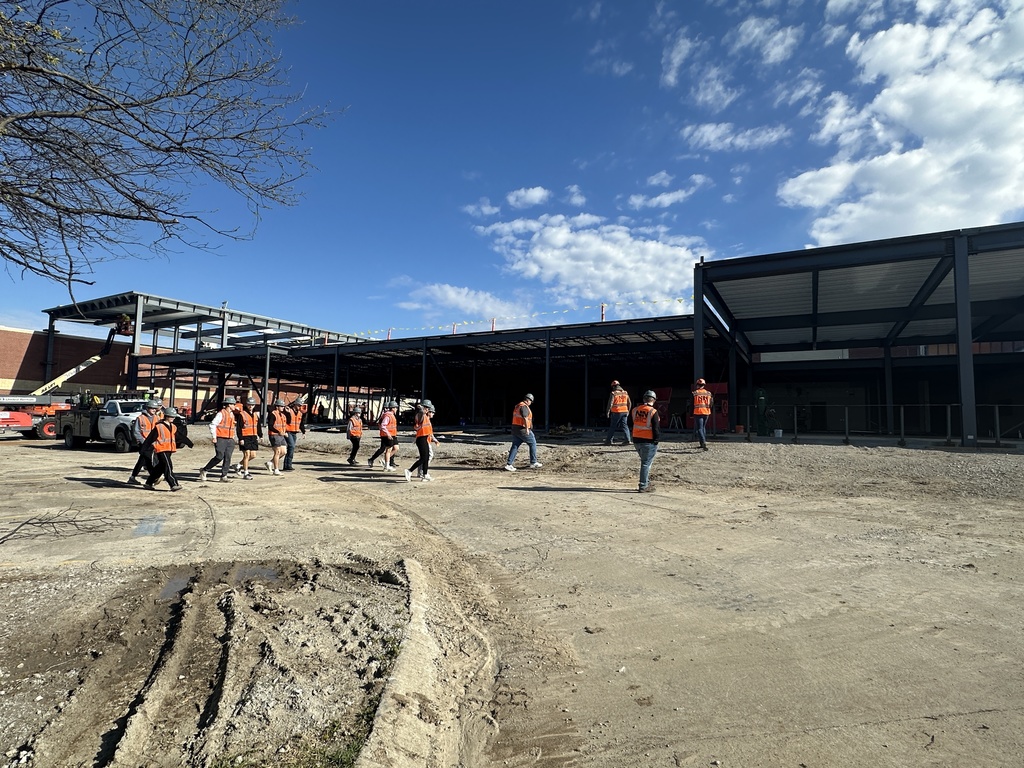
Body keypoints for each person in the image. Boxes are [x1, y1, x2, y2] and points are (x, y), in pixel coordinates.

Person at [141, 407, 185, 491]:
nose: (173, 418)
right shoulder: (159, 426)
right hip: (161, 449)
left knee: (161, 467)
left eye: (174, 417)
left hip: (169, 449)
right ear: (166, 416)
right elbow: (150, 438)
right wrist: (143, 450)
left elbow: (178, 436)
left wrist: (188, 442)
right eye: (171, 416)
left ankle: (149, 482)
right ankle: (173, 484)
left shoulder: (173, 426)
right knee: (168, 466)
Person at [629, 390, 661, 493]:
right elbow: (656, 428)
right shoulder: (653, 411)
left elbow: (631, 424)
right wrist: (656, 440)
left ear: (644, 399)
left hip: (636, 440)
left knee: (645, 462)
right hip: (648, 441)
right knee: (646, 463)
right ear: (654, 400)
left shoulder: (634, 410)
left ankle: (646, 482)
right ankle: (643, 485)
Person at [199, 396, 237, 482]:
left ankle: (224, 476)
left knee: (228, 457)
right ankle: (205, 470)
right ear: (228, 405)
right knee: (219, 456)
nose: (234, 405)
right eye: (233, 404)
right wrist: (214, 437)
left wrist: (233, 437)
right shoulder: (221, 414)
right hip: (221, 438)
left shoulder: (232, 415)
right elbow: (212, 425)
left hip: (230, 439)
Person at [127, 399, 162, 484]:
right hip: (144, 443)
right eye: (152, 408)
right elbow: (136, 431)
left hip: (152, 442)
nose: (154, 410)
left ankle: (132, 477)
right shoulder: (140, 418)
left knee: (142, 460)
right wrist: (143, 441)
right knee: (148, 459)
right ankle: (154, 477)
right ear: (147, 408)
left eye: (155, 408)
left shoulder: (157, 418)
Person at [504, 393, 542, 471]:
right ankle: (533, 462)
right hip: (522, 429)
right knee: (533, 443)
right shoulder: (524, 407)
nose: (531, 403)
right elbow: (525, 417)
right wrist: (527, 428)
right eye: (531, 401)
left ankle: (509, 464)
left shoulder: (518, 406)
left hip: (515, 429)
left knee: (515, 446)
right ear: (528, 400)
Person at [405, 399, 434, 482]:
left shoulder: (426, 417)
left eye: (428, 408)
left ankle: (425, 474)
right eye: (426, 408)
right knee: (423, 458)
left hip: (425, 438)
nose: (428, 410)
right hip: (421, 438)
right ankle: (409, 471)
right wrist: (421, 409)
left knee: (426, 457)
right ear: (423, 408)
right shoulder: (420, 415)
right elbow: (420, 415)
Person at [233, 397, 262, 479]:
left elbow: (258, 426)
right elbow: (239, 428)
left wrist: (260, 435)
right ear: (247, 405)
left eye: (252, 405)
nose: (251, 406)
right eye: (249, 404)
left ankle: (238, 465)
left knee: (253, 455)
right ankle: (246, 473)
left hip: (253, 437)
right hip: (245, 437)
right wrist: (240, 438)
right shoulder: (242, 414)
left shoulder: (255, 415)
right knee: (247, 455)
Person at [367, 401, 399, 471]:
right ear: (393, 408)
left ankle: (386, 462)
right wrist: (387, 434)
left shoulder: (390, 415)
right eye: (396, 407)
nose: (397, 409)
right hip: (387, 435)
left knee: (395, 448)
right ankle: (386, 464)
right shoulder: (387, 416)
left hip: (392, 434)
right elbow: (382, 425)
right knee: (386, 449)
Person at [604, 380, 632, 446]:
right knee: (625, 426)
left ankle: (608, 441)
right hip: (625, 412)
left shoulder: (613, 393)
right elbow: (629, 403)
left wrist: (607, 412)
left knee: (612, 427)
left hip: (616, 412)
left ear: (613, 386)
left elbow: (610, 403)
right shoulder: (625, 393)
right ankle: (628, 440)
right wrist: (628, 411)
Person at [265, 398, 288, 475]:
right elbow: (270, 426)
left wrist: (285, 432)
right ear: (277, 406)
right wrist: (278, 432)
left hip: (281, 435)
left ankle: (270, 462)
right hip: (274, 435)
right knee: (277, 452)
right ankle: (276, 470)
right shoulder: (273, 414)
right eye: (281, 406)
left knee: (284, 452)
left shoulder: (283, 415)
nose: (283, 407)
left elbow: (284, 425)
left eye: (283, 406)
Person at [283, 397, 305, 471]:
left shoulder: (300, 413)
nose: (299, 407)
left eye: (300, 405)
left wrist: (303, 432)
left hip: (294, 432)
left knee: (291, 448)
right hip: (288, 431)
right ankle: (288, 465)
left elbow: (301, 423)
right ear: (295, 404)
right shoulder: (289, 411)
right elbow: (286, 421)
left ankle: (286, 465)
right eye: (298, 405)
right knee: (291, 446)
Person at [692, 378, 713, 452]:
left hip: (698, 412)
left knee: (699, 428)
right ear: (704, 385)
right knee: (703, 427)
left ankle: (703, 442)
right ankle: (702, 443)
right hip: (706, 412)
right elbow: (711, 404)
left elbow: (691, 403)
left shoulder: (695, 393)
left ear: (697, 385)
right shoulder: (709, 393)